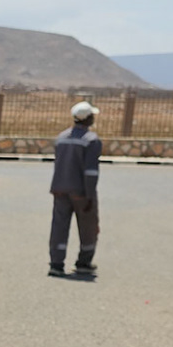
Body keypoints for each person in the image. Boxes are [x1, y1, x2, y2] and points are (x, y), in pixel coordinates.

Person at [50, 100, 101, 278]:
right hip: (80, 191)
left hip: (59, 189)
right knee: (88, 227)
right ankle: (83, 263)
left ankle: (56, 264)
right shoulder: (91, 140)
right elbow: (91, 171)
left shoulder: (61, 138)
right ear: (87, 119)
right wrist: (89, 196)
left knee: (59, 226)